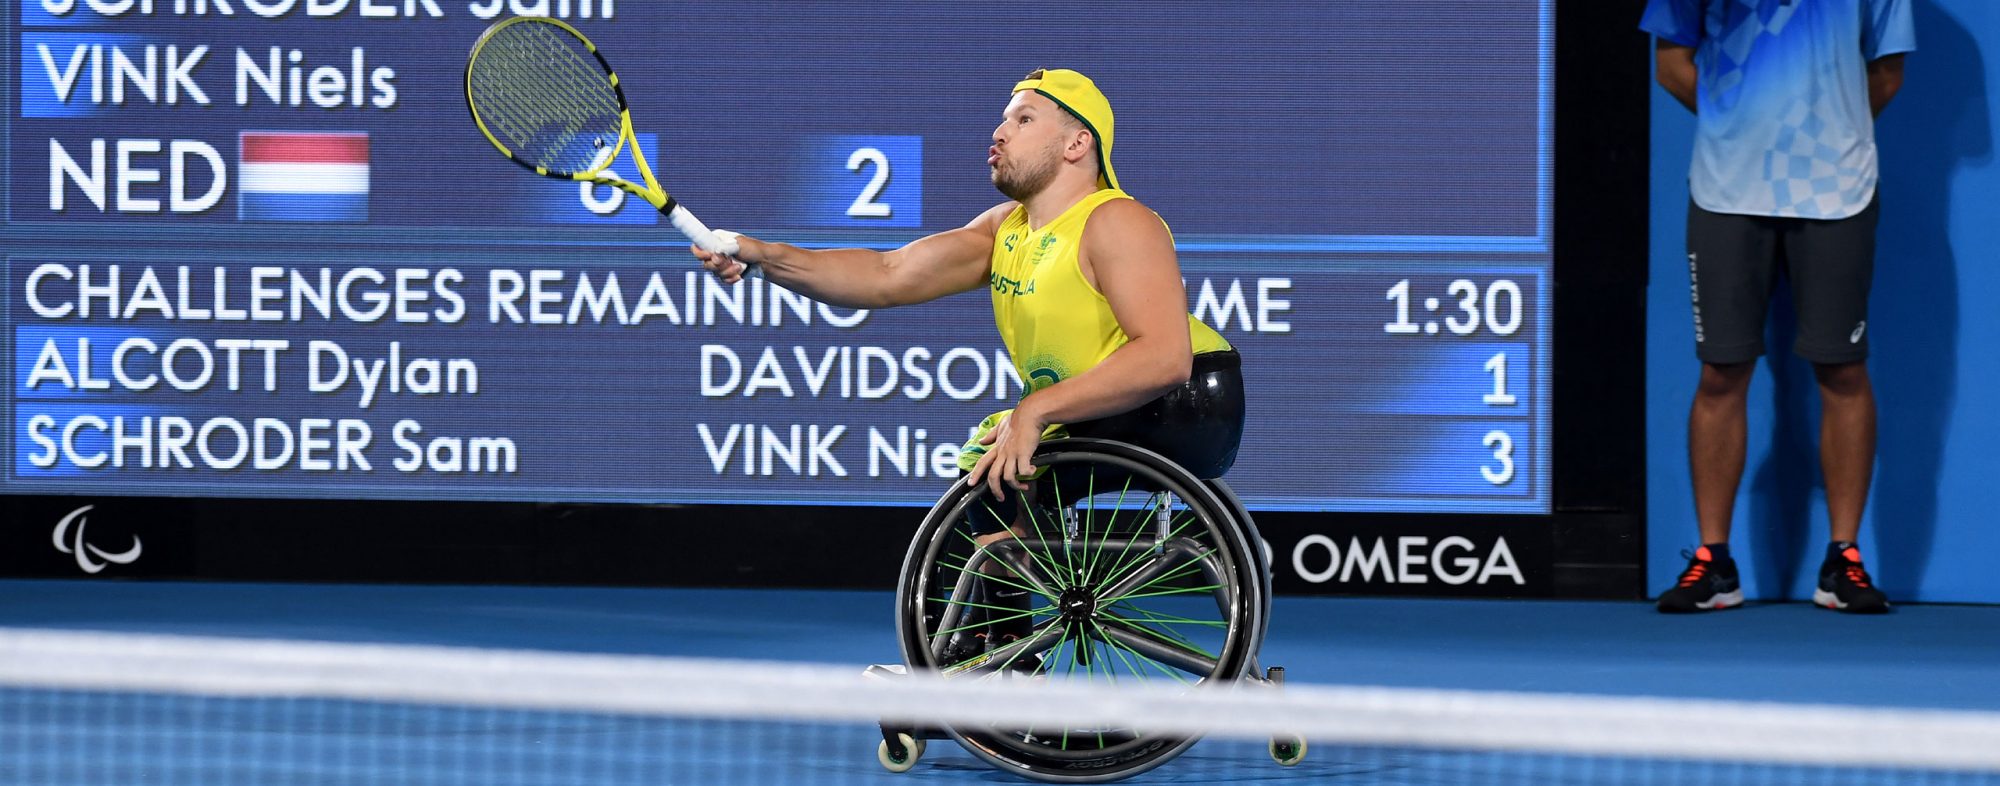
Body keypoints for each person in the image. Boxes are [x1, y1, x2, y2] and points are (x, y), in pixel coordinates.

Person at [692, 67, 1243, 529]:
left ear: (1078, 144)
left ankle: (992, 645)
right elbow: (888, 273)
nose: (1000, 132)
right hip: (1110, 410)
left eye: (1024, 119)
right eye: (1004, 119)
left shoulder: (1116, 220)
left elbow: (1165, 357)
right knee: (991, 476)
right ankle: (998, 646)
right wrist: (759, 254)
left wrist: (1036, 410)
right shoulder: (1008, 228)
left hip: (1184, 403)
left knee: (996, 469)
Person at [1642, 0, 1914, 613]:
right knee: (1721, 372)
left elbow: (1887, 72)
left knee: (1843, 370)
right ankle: (1714, 564)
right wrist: (1740, 126)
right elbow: (1672, 63)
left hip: (1838, 191)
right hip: (1726, 190)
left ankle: (1842, 561)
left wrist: (1818, 139)